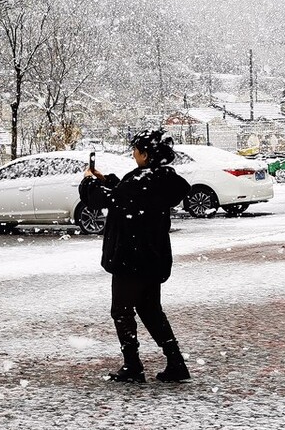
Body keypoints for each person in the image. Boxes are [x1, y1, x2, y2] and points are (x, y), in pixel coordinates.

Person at [79, 129, 192, 383]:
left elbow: (101, 199)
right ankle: (175, 362)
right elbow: (125, 195)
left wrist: (89, 182)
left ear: (146, 154)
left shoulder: (141, 181)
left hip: (130, 257)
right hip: (153, 257)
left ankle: (132, 365)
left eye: (136, 150)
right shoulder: (163, 179)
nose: (133, 154)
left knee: (122, 311)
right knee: (151, 310)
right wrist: (107, 179)